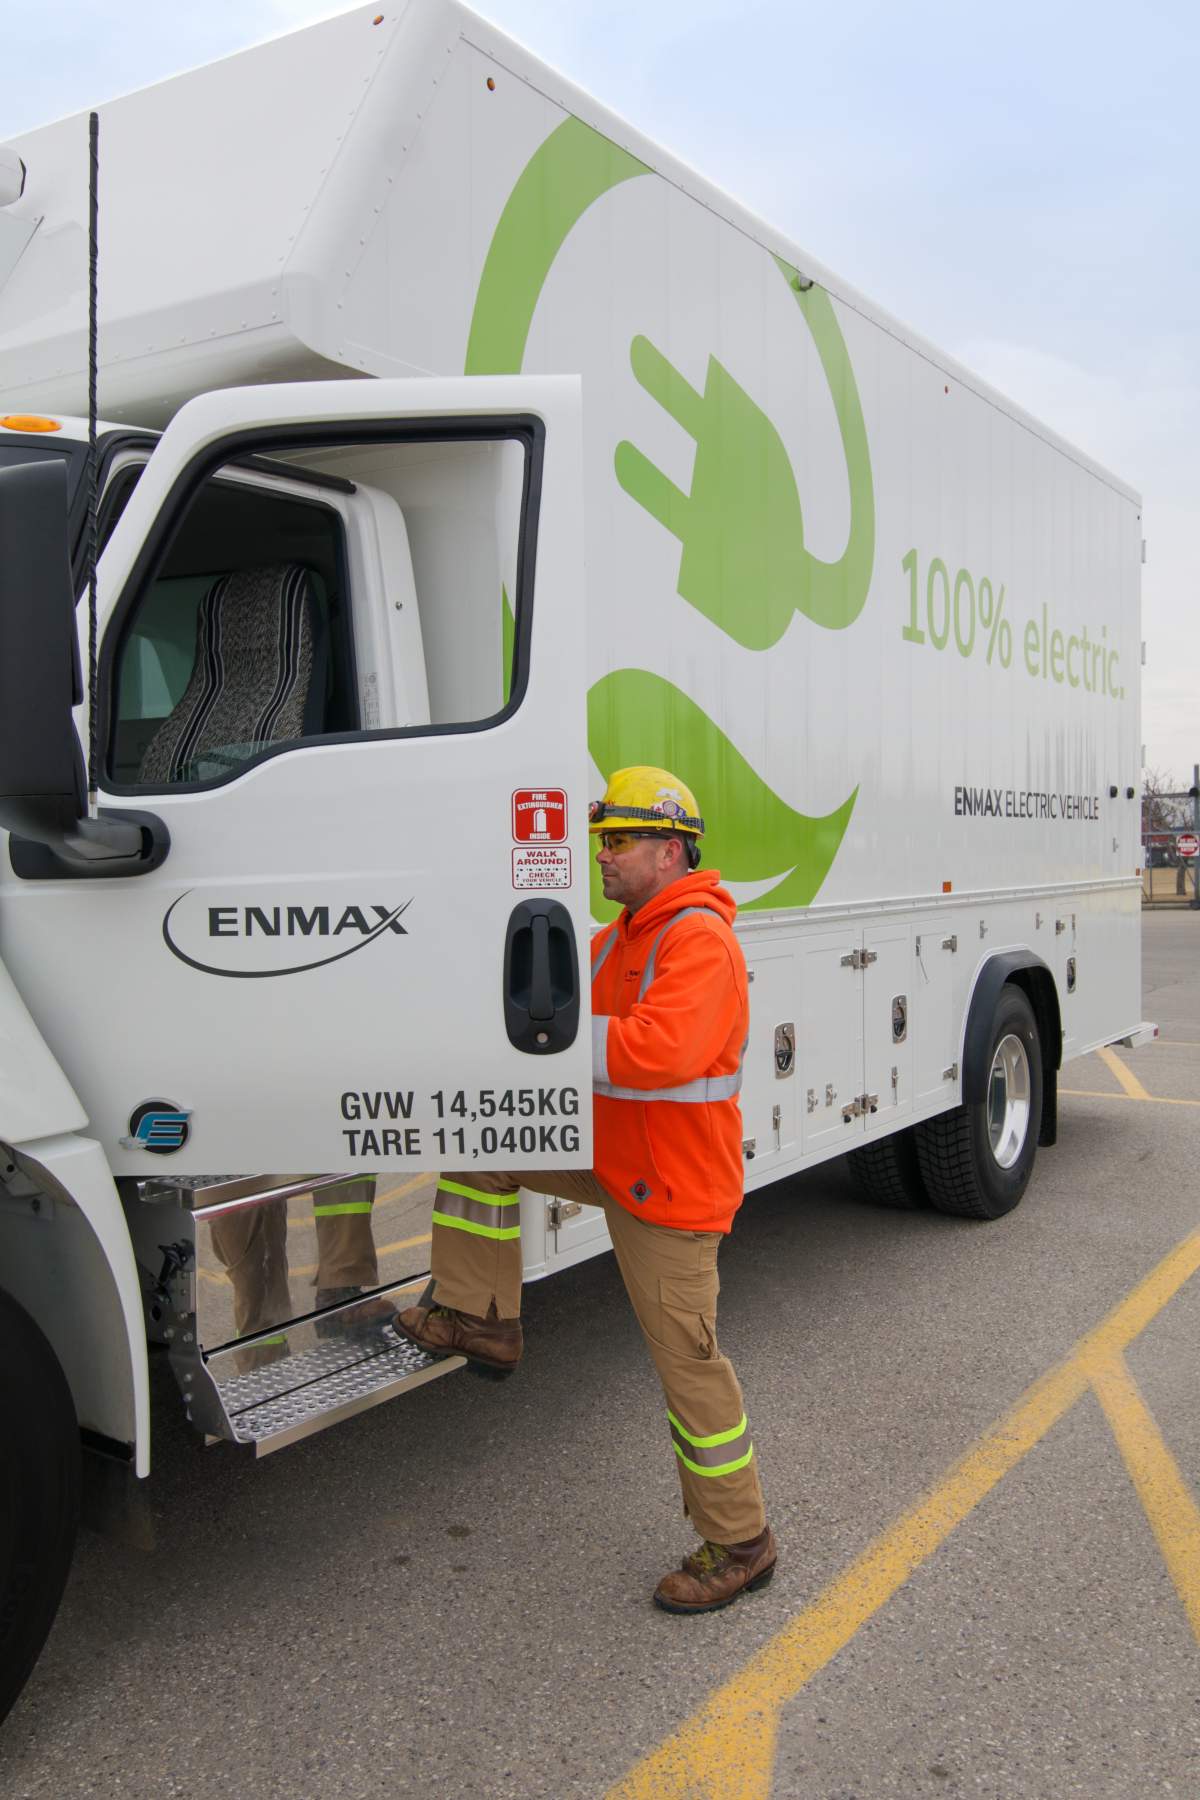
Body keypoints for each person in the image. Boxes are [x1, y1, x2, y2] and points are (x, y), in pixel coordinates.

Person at [395, 766, 775, 1614]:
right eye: (602, 839)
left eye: (621, 840)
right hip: (615, 1158)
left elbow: (657, 1051)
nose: (602, 854)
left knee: (689, 1368)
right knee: (479, 1149)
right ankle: (482, 1320)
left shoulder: (697, 939)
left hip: (671, 1190)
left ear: (672, 850)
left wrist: (550, 1037)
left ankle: (741, 1541)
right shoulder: (624, 934)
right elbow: (547, 998)